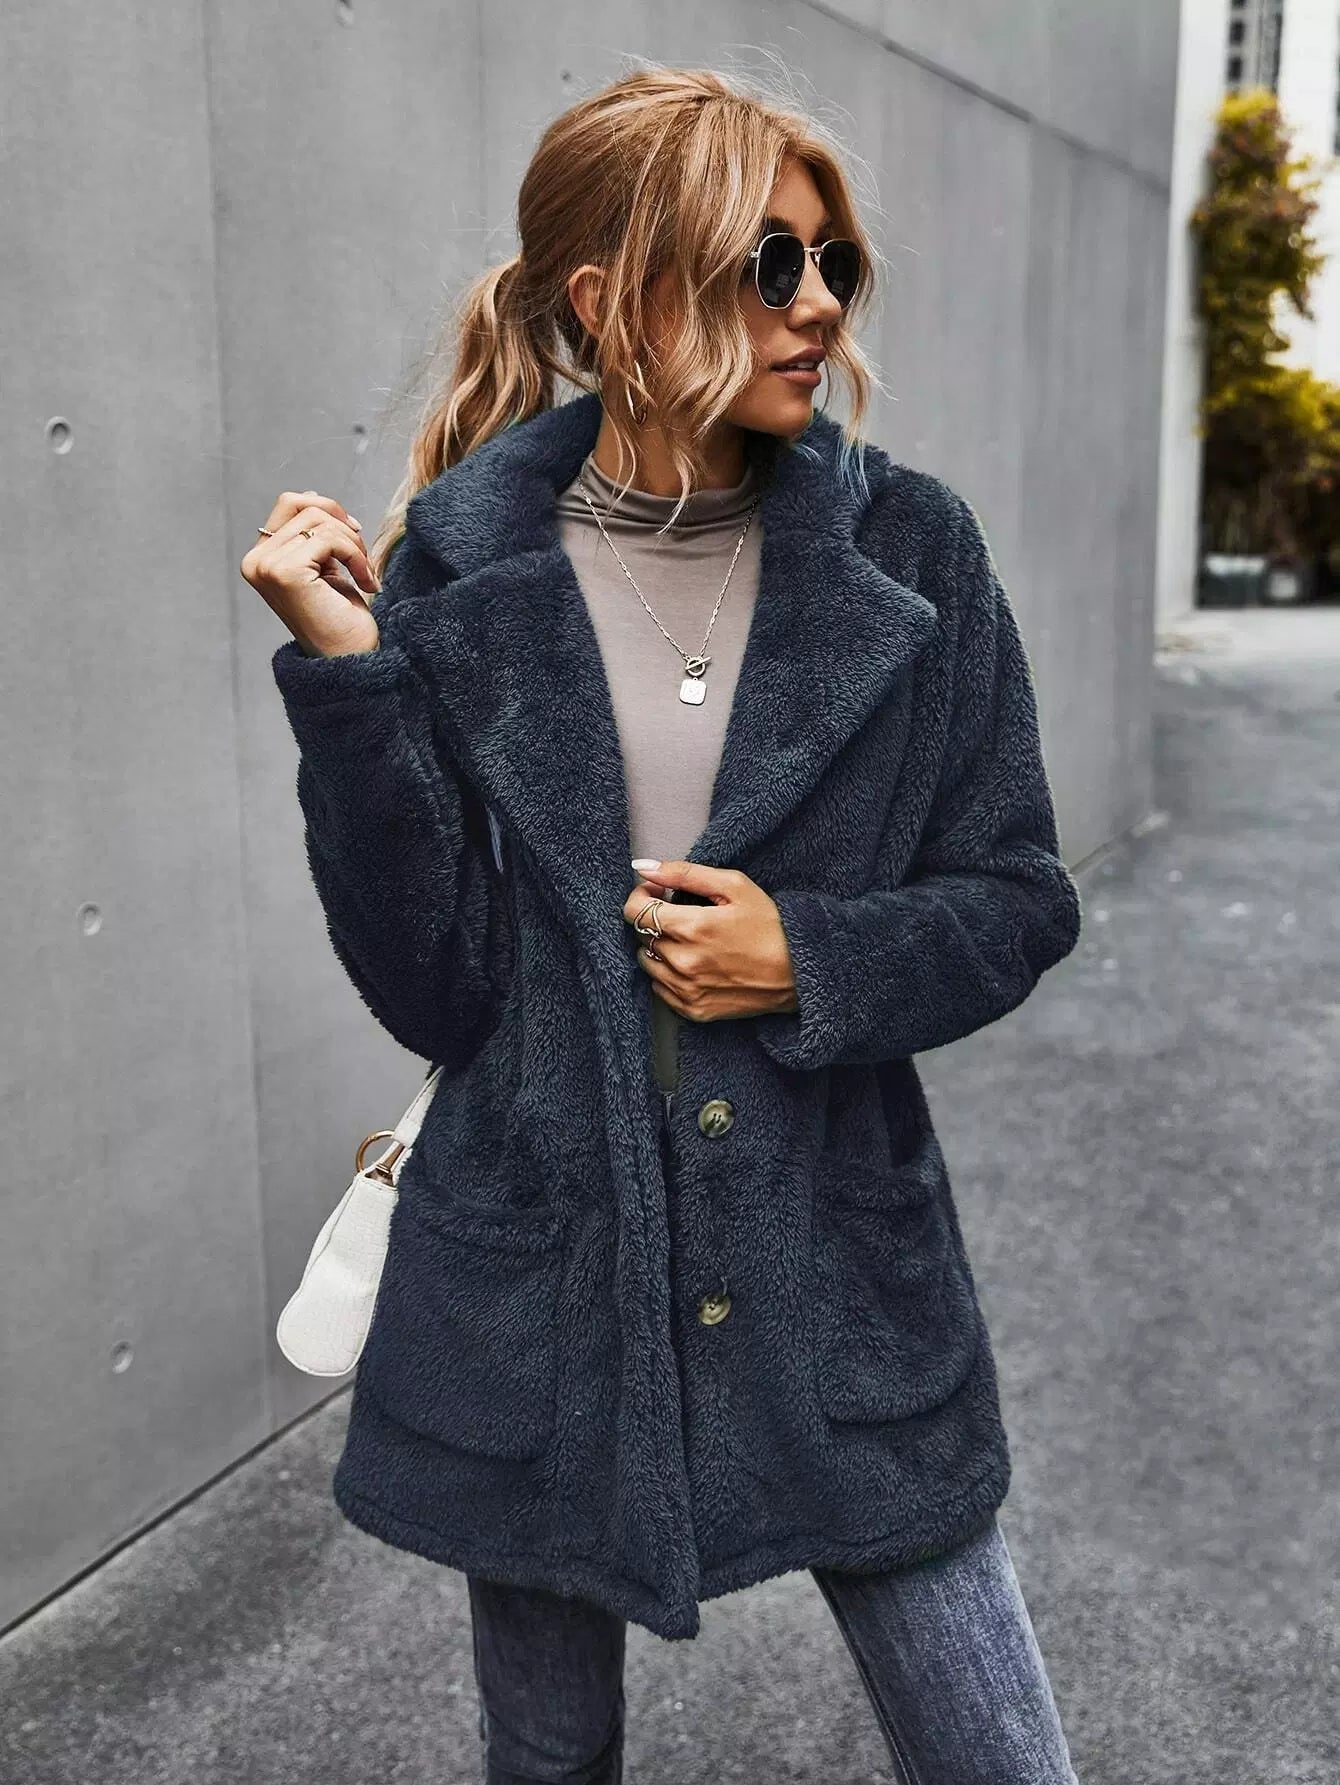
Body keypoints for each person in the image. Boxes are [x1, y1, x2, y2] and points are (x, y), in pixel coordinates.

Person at [241, 64, 1083, 1785]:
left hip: (840, 1263)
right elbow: (440, 985)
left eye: (833, 259)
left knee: (998, 1750)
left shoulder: (914, 548)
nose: (820, 303)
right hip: (538, 1279)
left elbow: (1017, 894)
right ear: (612, 301)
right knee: (548, 1758)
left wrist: (812, 956)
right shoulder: (457, 570)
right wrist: (351, 682)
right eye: (768, 264)